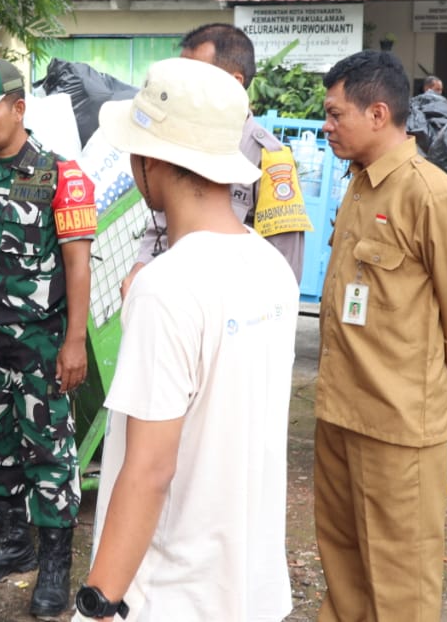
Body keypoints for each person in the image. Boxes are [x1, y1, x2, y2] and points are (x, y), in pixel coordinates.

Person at [73, 58, 299, 621]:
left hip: (170, 593)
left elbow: (150, 470)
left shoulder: (166, 286)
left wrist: (98, 603)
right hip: (249, 586)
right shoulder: (272, 269)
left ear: (152, 160)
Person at [314, 50, 447, 620]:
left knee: (401, 571)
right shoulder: (360, 185)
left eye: (336, 114)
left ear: (379, 112)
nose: (327, 125)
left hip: (397, 419)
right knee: (342, 557)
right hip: (341, 406)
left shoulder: (432, 195)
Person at [0, 56, 96, 617]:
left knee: (50, 455)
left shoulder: (63, 176)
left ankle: (55, 565)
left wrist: (74, 342)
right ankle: (14, 545)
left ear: (18, 107)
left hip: (40, 347)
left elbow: (77, 266)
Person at [121, 23, 307, 299]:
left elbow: (284, 263)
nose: (179, 87)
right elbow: (162, 220)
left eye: (193, 77)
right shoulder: (180, 139)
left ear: (234, 82)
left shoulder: (269, 158)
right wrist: (141, 267)